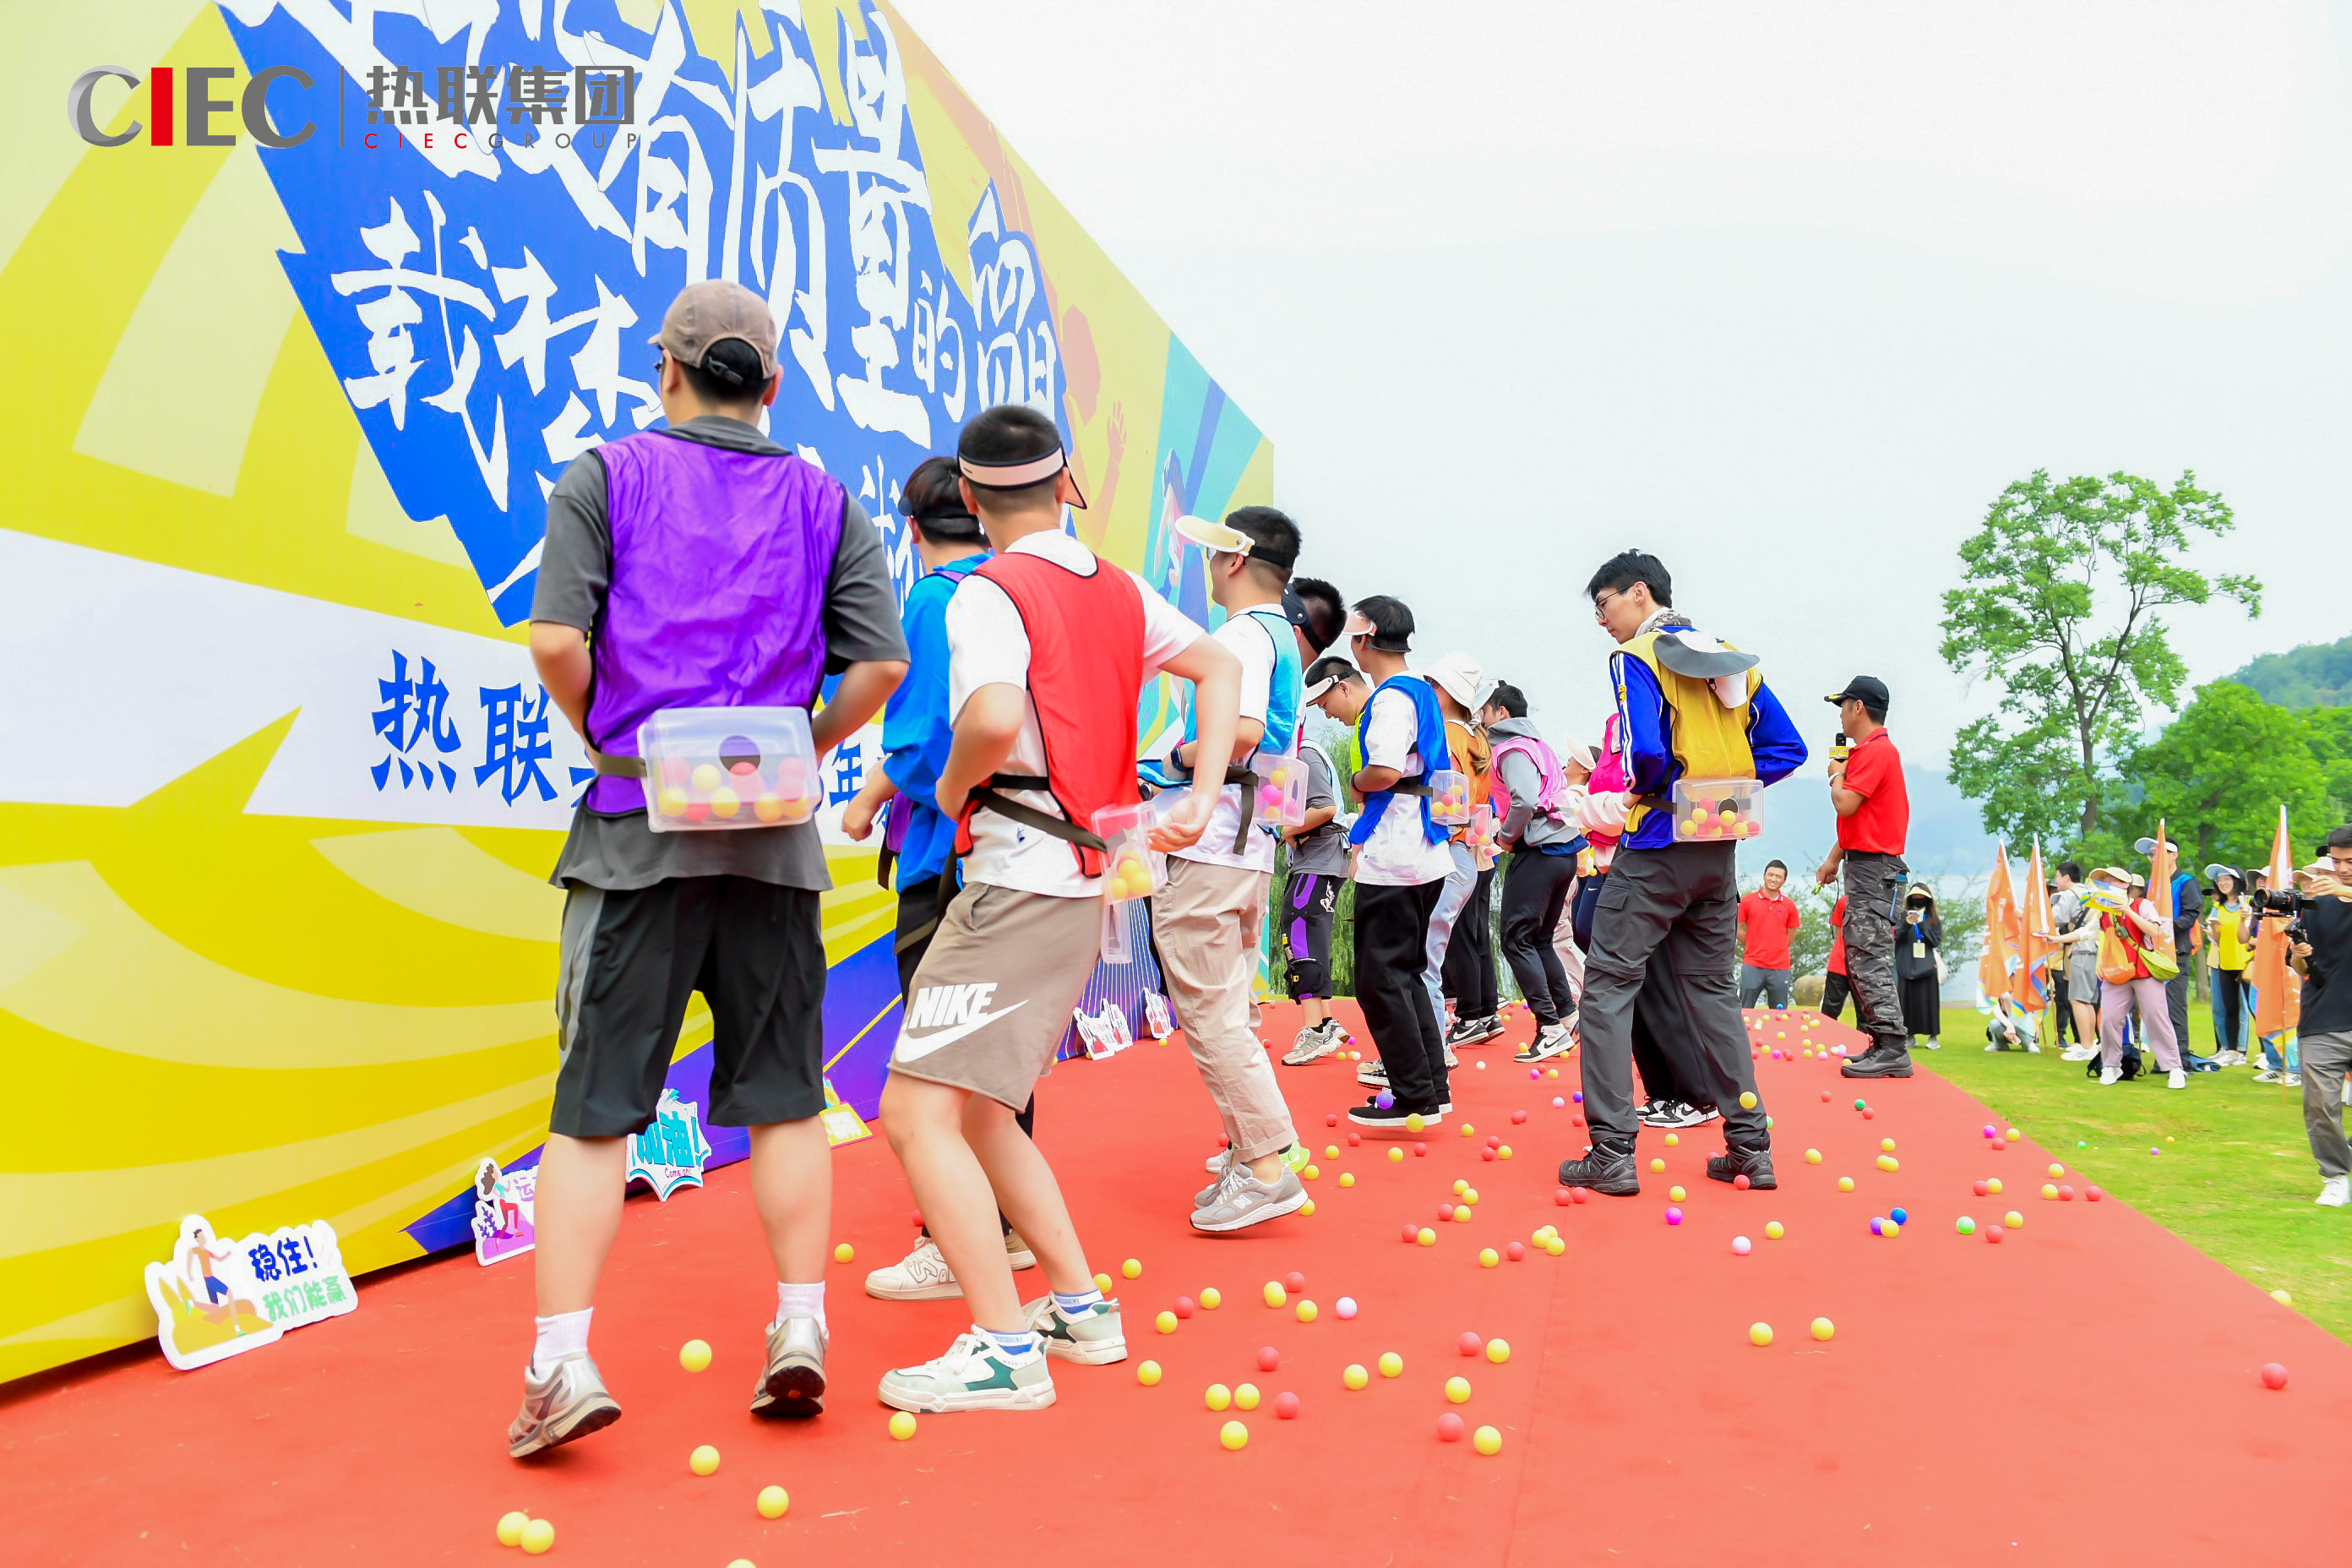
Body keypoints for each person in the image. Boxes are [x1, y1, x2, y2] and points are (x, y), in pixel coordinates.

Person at [515, 280, 910, 1456]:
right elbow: (879, 666)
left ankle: (561, 1361)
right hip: (773, 842)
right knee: (783, 1095)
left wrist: (610, 734)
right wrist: (801, 747)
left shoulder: (606, 474)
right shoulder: (827, 499)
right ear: (772, 384)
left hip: (637, 831)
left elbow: (555, 638)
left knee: (595, 1110)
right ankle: (800, 1327)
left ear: (667, 368)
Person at [875, 405, 1239, 1413]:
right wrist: (1205, 792)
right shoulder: (1117, 585)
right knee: (984, 1110)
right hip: (1085, 879)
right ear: (1066, 483)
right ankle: (1077, 1307)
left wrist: (952, 788)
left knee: (915, 1111)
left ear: (969, 495)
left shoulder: (987, 592)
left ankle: (1003, 1346)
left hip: (1018, 881)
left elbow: (993, 716)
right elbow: (1218, 666)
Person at [842, 459, 1043, 1305]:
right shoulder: (1016, 591)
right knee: (995, 1063)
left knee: (937, 1069)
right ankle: (1010, 1228)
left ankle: (956, 1244)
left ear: (912, 526)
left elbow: (928, 745)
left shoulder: (935, 599)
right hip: (1025, 858)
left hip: (950, 857)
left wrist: (870, 794)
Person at [1558, 551, 1805, 1196]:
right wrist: (1719, 792)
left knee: (1607, 988)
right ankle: (1750, 1150)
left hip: (1657, 845)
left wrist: (1648, 794)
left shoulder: (1636, 656)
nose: (1602, 621)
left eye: (1604, 605)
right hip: (1717, 852)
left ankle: (1612, 1152)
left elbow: (1646, 752)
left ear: (1638, 593)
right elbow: (1788, 749)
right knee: (1714, 995)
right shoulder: (1730, 658)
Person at [1158, 508, 1311, 1233]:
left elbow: (1242, 732)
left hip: (1212, 841)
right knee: (1232, 1011)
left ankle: (1265, 1168)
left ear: (1235, 560)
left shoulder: (1242, 635)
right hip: (1246, 845)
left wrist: (1173, 758)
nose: (1207, 565)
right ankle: (1252, 1154)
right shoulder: (1280, 636)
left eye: (1213, 553)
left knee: (1211, 1013)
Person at [1339, 596, 1458, 1129]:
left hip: (1396, 853)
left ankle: (1414, 1096)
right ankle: (1431, 1088)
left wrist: (1356, 781)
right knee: (1405, 974)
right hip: (1424, 849)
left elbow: (1384, 770)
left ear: (1364, 639)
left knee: (1380, 979)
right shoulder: (1421, 691)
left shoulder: (1390, 698)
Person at [1816, 677, 1913, 1080]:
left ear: (1858, 707)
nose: (1840, 714)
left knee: (1868, 957)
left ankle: (1893, 1047)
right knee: (1859, 955)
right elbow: (1860, 821)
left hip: (1876, 871)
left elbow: (1845, 803)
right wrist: (1833, 859)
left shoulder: (1876, 752)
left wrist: (1835, 774)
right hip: (1865, 865)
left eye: (1843, 705)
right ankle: (1881, 1040)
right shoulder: (1869, 752)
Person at [1483, 683, 1586, 1059]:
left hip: (1539, 851)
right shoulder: (1540, 745)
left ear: (1502, 713)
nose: (1481, 717)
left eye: (1485, 710)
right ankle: (1569, 1017)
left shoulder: (1511, 748)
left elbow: (1524, 799)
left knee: (1515, 939)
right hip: (1564, 851)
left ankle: (1549, 1026)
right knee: (1540, 940)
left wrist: (1506, 836)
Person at [1418, 652, 1493, 1055]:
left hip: (1446, 853)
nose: (1428, 689)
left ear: (1447, 691)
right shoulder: (1477, 739)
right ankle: (1433, 1050)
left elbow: (1442, 803)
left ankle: (1433, 1053)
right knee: (1431, 956)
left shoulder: (1446, 733)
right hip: (1467, 856)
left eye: (1433, 683)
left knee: (1423, 961)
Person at [1281, 662, 1353, 1064]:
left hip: (1319, 857)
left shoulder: (1304, 754)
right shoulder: (1306, 752)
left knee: (1298, 931)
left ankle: (1314, 1029)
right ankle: (1325, 1021)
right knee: (1311, 934)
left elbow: (1324, 808)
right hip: (1324, 859)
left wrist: (1285, 830)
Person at [2288, 828, 2352, 1206]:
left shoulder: (2338, 892)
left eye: (2350, 862)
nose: (2342, 869)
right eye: (2336, 861)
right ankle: (2336, 1176)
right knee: (2320, 1106)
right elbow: (2302, 969)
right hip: (2323, 1016)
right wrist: (2300, 956)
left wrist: (2344, 892)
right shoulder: (2315, 905)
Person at [2089, 863, 2187, 1090]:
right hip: (2116, 972)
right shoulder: (2103, 911)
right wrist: (2100, 963)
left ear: (2125, 884)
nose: (2106, 884)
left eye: (2111, 880)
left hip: (2143, 970)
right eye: (2104, 880)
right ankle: (2111, 1065)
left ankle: (2174, 1067)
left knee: (2156, 1017)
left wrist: (2127, 910)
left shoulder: (2142, 905)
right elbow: (2104, 939)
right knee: (2109, 1018)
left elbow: (2154, 931)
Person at [1736, 860, 1802, 1010]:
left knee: (1779, 1012)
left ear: (1784, 880)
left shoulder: (1789, 905)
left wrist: (1776, 949)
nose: (1773, 879)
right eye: (1770, 875)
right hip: (1752, 964)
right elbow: (1738, 929)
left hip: (1780, 967)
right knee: (1744, 1011)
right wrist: (1752, 945)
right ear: (1764, 875)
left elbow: (1791, 936)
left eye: (1778, 876)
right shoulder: (1748, 901)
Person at [2050, 861, 2100, 1059]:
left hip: (2082, 948)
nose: (2056, 881)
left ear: (2066, 877)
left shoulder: (2070, 895)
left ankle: (2086, 1046)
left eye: (2057, 876)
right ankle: (2088, 1043)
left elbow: (2055, 918)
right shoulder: (2089, 892)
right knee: (2087, 1000)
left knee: (2078, 999)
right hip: (2094, 949)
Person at [2205, 867, 2252, 1065]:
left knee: (2254, 1008)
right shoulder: (2219, 906)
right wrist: (2214, 929)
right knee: (2230, 1008)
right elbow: (2217, 939)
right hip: (2226, 962)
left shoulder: (2248, 903)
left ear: (2237, 880)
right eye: (2220, 880)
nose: (2223, 883)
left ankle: (2268, 1054)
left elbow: (2252, 932)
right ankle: (2232, 1051)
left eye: (2227, 879)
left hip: (2247, 962)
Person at [1895, 885, 1945, 1049]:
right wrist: (1907, 924)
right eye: (1915, 897)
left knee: (1929, 1003)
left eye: (1921, 897)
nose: (1918, 900)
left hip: (1927, 967)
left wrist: (1922, 925)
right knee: (1907, 1004)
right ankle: (1909, 1036)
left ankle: (1933, 1037)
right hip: (1906, 967)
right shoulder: (1902, 917)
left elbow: (1935, 941)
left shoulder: (1933, 919)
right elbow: (1896, 936)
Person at [1819, 895, 1850, 1022]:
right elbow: (1838, 931)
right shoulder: (1844, 901)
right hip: (1839, 965)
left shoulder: (1880, 901)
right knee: (1829, 1012)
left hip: (1866, 970)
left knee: (1866, 1016)